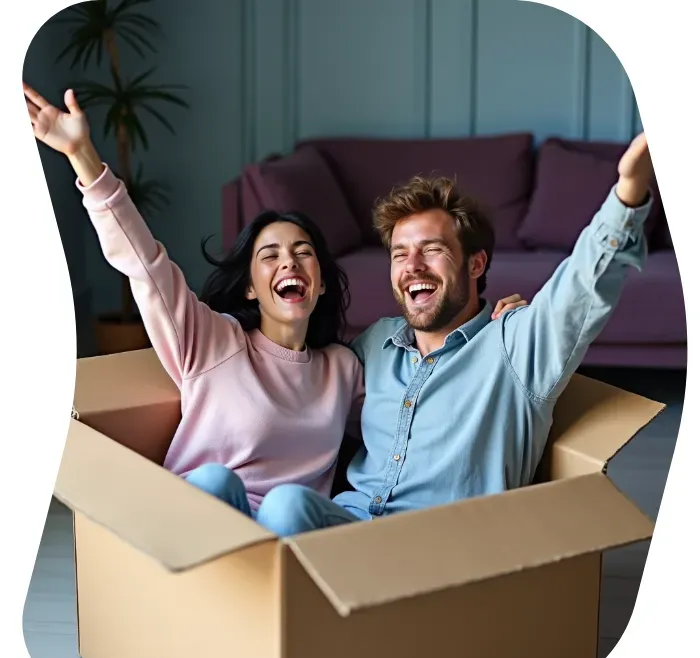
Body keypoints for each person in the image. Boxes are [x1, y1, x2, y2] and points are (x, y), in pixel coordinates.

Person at [23, 81, 529, 519]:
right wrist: (82, 157)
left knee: (288, 505)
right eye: (270, 256)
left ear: (322, 282)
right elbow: (145, 264)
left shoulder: (343, 370)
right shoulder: (209, 340)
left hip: (292, 550)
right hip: (197, 535)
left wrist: (492, 330)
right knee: (218, 483)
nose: (288, 263)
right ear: (249, 285)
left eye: (303, 253)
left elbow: (421, 401)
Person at [255, 132, 655, 537]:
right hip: (346, 529)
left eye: (432, 250)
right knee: (221, 488)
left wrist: (628, 193)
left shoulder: (515, 346)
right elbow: (304, 388)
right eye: (399, 254)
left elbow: (582, 285)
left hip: (438, 551)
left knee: (284, 507)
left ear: (476, 264)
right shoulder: (375, 344)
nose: (412, 266)